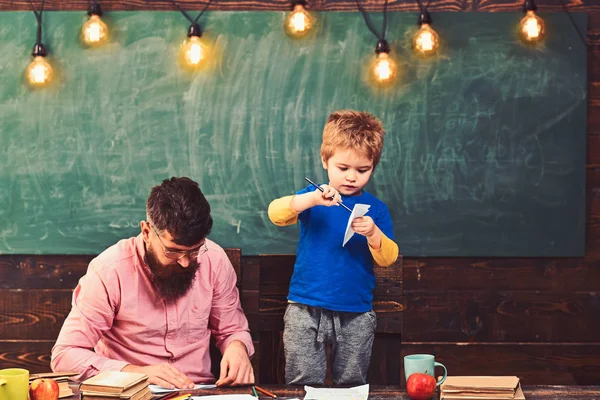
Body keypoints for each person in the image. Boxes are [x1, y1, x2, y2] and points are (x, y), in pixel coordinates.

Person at [51, 177, 254, 389]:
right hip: (132, 393)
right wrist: (135, 374)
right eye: (173, 251)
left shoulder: (215, 259)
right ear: (147, 232)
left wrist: (237, 346)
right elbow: (65, 355)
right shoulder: (109, 270)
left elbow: (232, 330)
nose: (185, 262)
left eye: (194, 250)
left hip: (198, 391)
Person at [268, 110, 399, 385]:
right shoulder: (313, 198)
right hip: (305, 307)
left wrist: (374, 233)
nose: (352, 177)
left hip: (356, 312)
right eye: (343, 168)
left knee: (352, 383)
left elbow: (389, 258)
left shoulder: (376, 210)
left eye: (363, 170)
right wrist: (311, 200)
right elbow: (275, 213)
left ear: (373, 166)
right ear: (325, 160)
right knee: (302, 382)